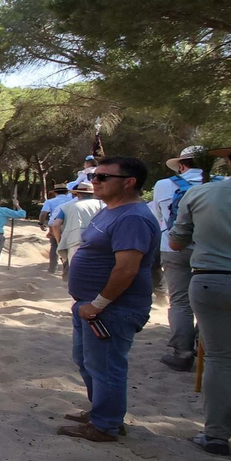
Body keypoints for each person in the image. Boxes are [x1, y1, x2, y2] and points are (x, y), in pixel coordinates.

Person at [58, 156, 161, 443]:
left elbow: (126, 268)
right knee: (87, 361)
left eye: (103, 177)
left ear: (129, 183)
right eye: (94, 176)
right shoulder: (111, 211)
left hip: (112, 308)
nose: (94, 182)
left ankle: (105, 425)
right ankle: (102, 413)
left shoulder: (133, 217)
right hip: (91, 306)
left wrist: (99, 304)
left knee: (105, 365)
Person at [168, 136, 231, 456]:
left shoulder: (200, 193)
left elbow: (176, 242)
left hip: (214, 280)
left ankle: (216, 435)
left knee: (220, 360)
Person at [153, 145, 210, 372]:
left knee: (179, 301)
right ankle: (202, 344)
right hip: (211, 249)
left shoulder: (164, 185)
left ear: (182, 165)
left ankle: (182, 352)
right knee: (209, 301)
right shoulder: (220, 184)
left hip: (174, 247)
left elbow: (160, 218)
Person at [50, 182, 104, 281]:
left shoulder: (67, 206)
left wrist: (59, 241)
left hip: (75, 242)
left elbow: (55, 224)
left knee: (77, 272)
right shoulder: (102, 205)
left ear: (78, 194)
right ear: (94, 194)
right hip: (98, 242)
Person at [39, 183, 73, 274]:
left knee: (55, 246)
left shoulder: (50, 201)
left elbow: (43, 213)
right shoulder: (72, 200)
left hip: (55, 225)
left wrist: (41, 223)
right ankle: (67, 269)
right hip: (69, 225)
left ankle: (52, 268)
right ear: (66, 192)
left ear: (55, 192)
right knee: (69, 247)